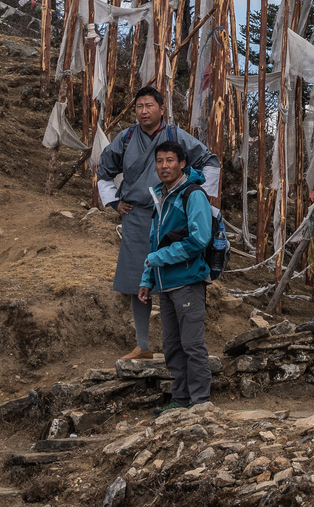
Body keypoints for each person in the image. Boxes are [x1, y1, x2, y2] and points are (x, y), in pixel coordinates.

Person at [95, 86, 220, 360]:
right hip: (137, 216)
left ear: (161, 109)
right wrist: (115, 202)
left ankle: (180, 347)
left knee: (175, 277)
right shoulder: (126, 138)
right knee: (135, 280)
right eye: (139, 106)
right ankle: (143, 345)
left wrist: (201, 200)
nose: (143, 111)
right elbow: (103, 169)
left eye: (149, 105)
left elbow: (210, 160)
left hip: (174, 214)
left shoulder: (176, 136)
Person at [139, 137, 213, 412]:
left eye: (170, 160)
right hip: (165, 284)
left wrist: (158, 258)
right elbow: (153, 243)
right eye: (159, 161)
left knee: (192, 345)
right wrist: (148, 280)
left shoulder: (191, 194)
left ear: (182, 164)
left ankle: (200, 403)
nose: (164, 166)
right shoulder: (161, 195)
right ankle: (180, 401)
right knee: (172, 347)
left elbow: (199, 239)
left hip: (188, 280)